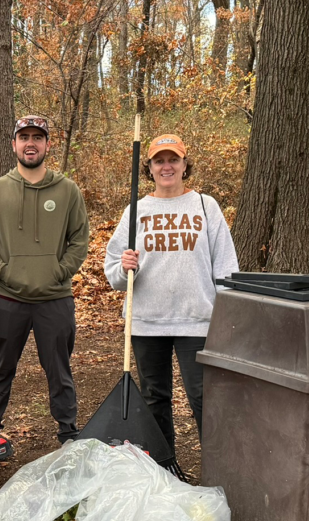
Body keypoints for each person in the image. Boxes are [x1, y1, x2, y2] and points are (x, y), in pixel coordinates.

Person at [103, 133, 239, 455]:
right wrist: (124, 268)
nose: (167, 166)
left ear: (184, 164)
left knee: (205, 397)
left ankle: (223, 469)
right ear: (149, 168)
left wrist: (226, 314)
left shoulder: (206, 206)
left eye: (173, 159)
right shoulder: (136, 210)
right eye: (159, 160)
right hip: (147, 322)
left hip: (198, 320)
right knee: (155, 398)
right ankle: (165, 469)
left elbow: (225, 266)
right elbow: (114, 273)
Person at [0, 115, 89, 455]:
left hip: (55, 298)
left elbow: (78, 241)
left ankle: (68, 434)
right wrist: (5, 273)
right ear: (14, 144)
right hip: (6, 298)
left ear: (47, 144)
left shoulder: (67, 190)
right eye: (24, 137)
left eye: (38, 137)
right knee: (0, 369)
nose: (31, 143)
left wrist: (59, 272)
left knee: (60, 369)